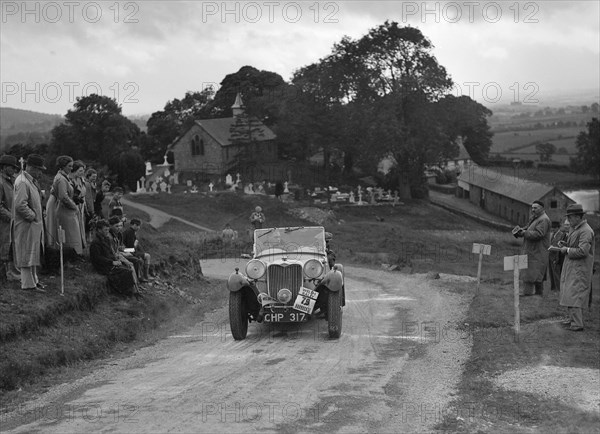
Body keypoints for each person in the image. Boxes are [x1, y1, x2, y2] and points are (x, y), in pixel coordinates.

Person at [558, 204, 595, 332]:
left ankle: (577, 324)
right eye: (568, 217)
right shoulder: (575, 228)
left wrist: (567, 249)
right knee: (568, 292)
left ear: (578, 217)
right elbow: (574, 245)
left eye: (571, 217)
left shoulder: (586, 231)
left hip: (580, 268)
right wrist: (565, 244)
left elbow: (583, 251)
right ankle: (572, 320)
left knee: (575, 294)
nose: (568, 220)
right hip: (572, 266)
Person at [12, 154, 46, 292]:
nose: (40, 172)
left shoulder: (30, 180)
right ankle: (27, 284)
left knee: (32, 253)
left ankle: (34, 281)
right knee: (26, 254)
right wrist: (33, 216)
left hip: (32, 225)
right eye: (38, 169)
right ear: (30, 167)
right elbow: (20, 205)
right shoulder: (22, 182)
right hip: (26, 224)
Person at [90, 219, 140, 298]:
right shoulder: (95, 243)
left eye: (108, 229)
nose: (107, 231)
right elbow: (98, 258)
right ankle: (126, 293)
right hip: (103, 266)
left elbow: (112, 252)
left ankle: (132, 291)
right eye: (105, 230)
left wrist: (116, 260)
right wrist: (112, 262)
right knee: (127, 271)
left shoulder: (106, 239)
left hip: (110, 262)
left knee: (128, 267)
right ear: (99, 230)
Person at [45, 155, 84, 256]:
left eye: (72, 166)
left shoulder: (63, 177)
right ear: (63, 166)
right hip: (62, 207)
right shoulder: (61, 178)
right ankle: (69, 254)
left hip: (63, 205)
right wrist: (74, 207)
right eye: (69, 166)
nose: (71, 168)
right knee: (68, 231)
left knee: (70, 231)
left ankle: (72, 254)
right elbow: (63, 197)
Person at [512, 200, 551, 296]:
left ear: (542, 208)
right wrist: (521, 230)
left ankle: (528, 295)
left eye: (535, 208)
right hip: (533, 251)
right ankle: (537, 295)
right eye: (532, 207)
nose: (533, 210)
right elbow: (530, 228)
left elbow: (539, 234)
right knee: (533, 273)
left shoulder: (544, 219)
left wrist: (524, 233)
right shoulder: (536, 218)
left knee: (532, 273)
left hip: (537, 251)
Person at [0, 154, 21, 282]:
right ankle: (5, 276)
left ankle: (9, 274)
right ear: (4, 167)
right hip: (4, 222)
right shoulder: (1, 183)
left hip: (11, 222)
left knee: (9, 248)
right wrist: (11, 217)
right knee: (4, 248)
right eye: (12, 167)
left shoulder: (11, 181)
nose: (14, 170)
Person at [109, 216, 143, 284]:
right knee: (136, 258)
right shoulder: (129, 232)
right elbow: (129, 246)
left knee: (136, 257)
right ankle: (137, 282)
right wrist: (133, 247)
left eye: (121, 226)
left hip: (123, 251)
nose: (119, 228)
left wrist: (124, 248)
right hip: (120, 253)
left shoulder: (119, 234)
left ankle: (138, 281)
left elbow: (121, 246)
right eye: (117, 226)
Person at [69, 160, 87, 252]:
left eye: (83, 171)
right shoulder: (70, 180)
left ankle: (81, 248)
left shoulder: (81, 179)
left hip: (81, 206)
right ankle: (75, 250)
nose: (82, 173)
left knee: (81, 226)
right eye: (80, 171)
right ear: (74, 170)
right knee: (75, 228)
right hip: (74, 206)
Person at [548, 218, 570, 292]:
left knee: (557, 274)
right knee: (552, 274)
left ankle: (558, 289)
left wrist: (554, 250)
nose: (553, 229)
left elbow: (560, 247)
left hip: (557, 257)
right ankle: (553, 288)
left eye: (554, 228)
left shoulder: (560, 234)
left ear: (558, 227)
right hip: (551, 256)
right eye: (552, 228)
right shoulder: (553, 234)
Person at [83, 168, 98, 242]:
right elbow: (88, 197)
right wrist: (90, 209)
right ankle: (88, 238)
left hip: (92, 204)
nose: (94, 178)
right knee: (88, 223)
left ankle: (89, 237)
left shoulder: (93, 184)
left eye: (95, 177)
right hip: (89, 205)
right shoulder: (87, 184)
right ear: (88, 176)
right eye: (93, 176)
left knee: (90, 222)